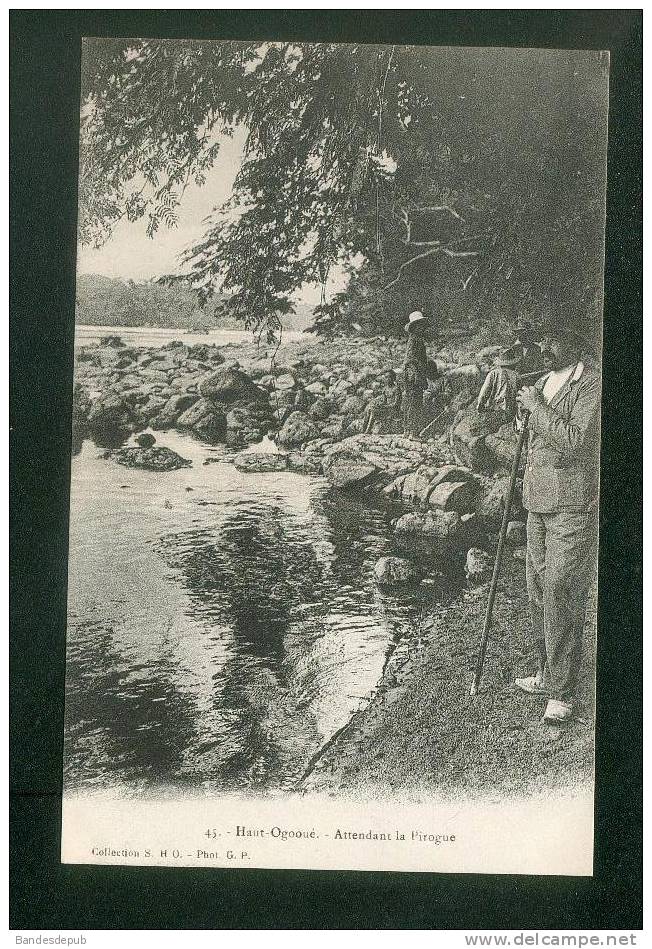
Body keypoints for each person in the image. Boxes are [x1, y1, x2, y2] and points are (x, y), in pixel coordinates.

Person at [514, 324, 600, 723]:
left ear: (574, 341)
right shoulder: (544, 381)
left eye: (554, 338)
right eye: (543, 340)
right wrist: (523, 416)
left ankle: (563, 693)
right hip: (538, 501)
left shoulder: (591, 383)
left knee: (561, 590)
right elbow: (534, 436)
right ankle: (547, 673)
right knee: (536, 590)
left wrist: (536, 408)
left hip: (572, 503)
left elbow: (579, 440)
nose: (545, 347)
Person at [402, 310, 429, 437]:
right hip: (414, 373)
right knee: (415, 402)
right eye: (419, 325)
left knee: (409, 401)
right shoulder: (415, 339)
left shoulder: (413, 339)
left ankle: (407, 431)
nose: (422, 327)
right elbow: (412, 359)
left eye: (422, 325)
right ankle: (413, 432)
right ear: (414, 327)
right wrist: (419, 373)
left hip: (410, 373)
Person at [363, 370, 402, 434]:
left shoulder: (396, 388)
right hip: (387, 408)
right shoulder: (385, 388)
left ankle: (368, 430)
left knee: (373, 411)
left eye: (389, 377)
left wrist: (385, 406)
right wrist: (379, 404)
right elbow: (384, 401)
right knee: (370, 409)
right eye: (386, 377)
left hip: (394, 410)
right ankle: (365, 428)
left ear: (393, 378)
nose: (387, 379)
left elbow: (396, 403)